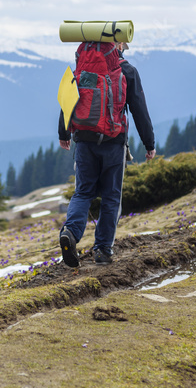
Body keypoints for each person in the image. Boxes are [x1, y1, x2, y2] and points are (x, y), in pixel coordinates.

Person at [58, 40, 155, 266]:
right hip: (113, 142)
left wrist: (63, 133)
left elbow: (67, 101)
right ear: (119, 45)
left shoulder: (81, 68)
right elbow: (139, 109)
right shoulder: (127, 71)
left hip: (83, 140)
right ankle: (102, 250)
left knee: (83, 193)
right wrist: (149, 143)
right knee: (111, 197)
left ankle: (70, 233)